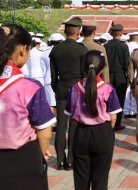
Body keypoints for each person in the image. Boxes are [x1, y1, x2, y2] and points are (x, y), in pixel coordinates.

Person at [0, 25, 56, 190]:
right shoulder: (29, 87)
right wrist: (42, 152)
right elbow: (45, 132)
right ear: (23, 49)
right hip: (23, 159)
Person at [65, 50, 121, 190]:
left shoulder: (74, 88)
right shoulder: (107, 88)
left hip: (81, 133)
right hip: (102, 132)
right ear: (102, 68)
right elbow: (113, 116)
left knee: (80, 178)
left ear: (84, 66)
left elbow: (71, 115)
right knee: (100, 179)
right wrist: (109, 129)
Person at [50, 16, 88, 170]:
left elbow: (53, 75)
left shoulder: (56, 49)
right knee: (74, 124)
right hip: (77, 88)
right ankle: (71, 160)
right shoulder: (81, 49)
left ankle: (60, 159)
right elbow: (85, 73)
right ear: (78, 31)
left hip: (62, 87)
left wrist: (56, 89)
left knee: (60, 124)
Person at [104, 24, 130, 131]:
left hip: (108, 75)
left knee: (106, 99)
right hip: (120, 76)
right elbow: (126, 64)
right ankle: (117, 122)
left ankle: (107, 120)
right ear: (120, 33)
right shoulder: (124, 47)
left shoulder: (105, 46)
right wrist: (128, 78)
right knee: (120, 99)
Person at [41, 33, 64, 111]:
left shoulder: (45, 52)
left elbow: (43, 68)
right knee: (60, 103)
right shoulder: (62, 51)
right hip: (61, 79)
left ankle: (52, 122)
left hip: (48, 78)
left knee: (50, 103)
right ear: (61, 41)